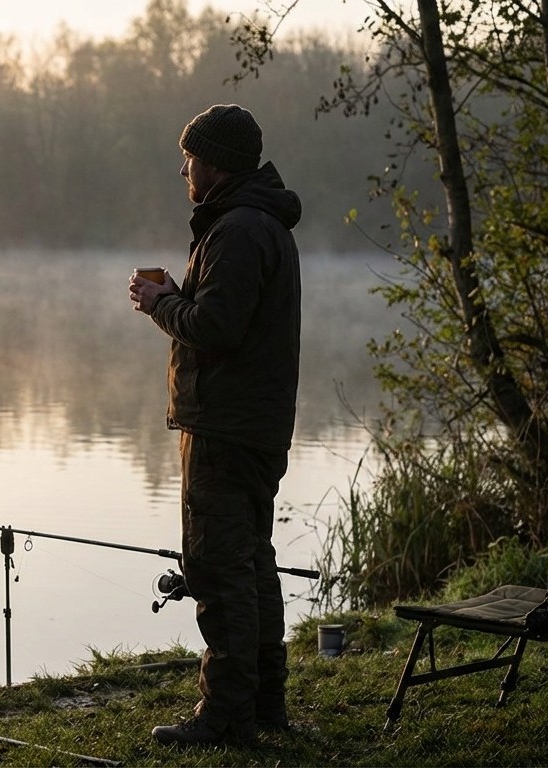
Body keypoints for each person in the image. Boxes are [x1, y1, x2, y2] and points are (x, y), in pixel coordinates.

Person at [128, 103, 302, 747]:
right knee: (252, 562)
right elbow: (226, 314)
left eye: (191, 159)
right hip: (254, 424)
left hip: (225, 427)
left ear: (216, 164)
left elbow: (217, 328)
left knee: (215, 567)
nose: (184, 169)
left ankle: (227, 715)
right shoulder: (261, 225)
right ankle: (264, 705)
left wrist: (160, 303)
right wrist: (181, 293)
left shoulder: (235, 230)